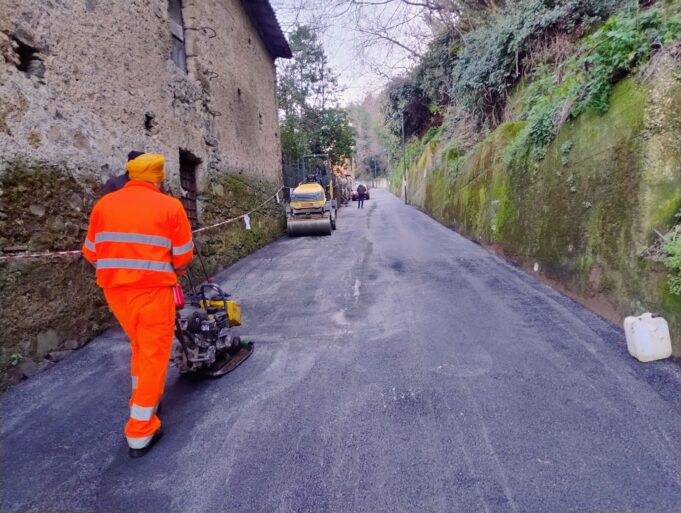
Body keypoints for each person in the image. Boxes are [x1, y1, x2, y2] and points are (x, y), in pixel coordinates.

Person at [82, 153, 194, 458]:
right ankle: (141, 429)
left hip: (116, 292)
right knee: (155, 352)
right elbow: (183, 256)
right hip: (153, 292)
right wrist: (168, 271)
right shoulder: (169, 207)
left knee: (139, 346)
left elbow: (91, 252)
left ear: (130, 174)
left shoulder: (104, 205)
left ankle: (144, 398)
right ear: (158, 178)